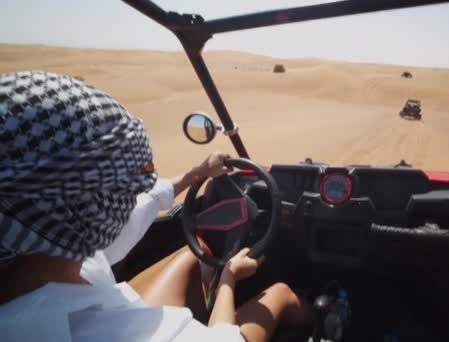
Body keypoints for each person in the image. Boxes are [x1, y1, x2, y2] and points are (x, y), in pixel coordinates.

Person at [0, 71, 312, 341]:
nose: (135, 193)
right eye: (128, 183)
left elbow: (133, 213)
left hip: (99, 305)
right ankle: (323, 319)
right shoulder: (96, 332)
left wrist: (196, 175)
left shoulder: (43, 241)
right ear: (88, 209)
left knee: (193, 256)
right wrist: (229, 279)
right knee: (281, 293)